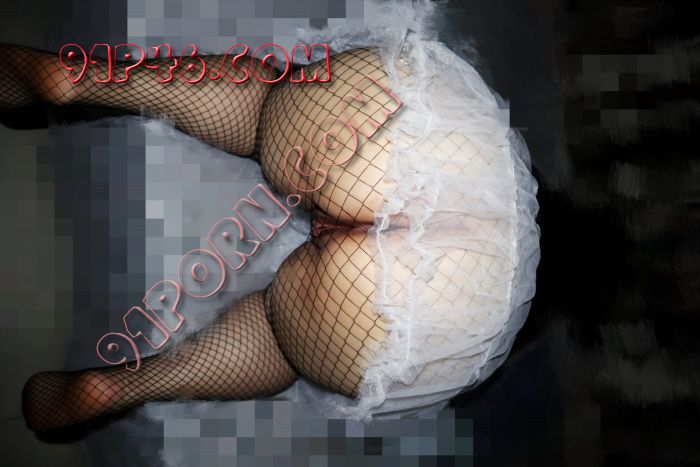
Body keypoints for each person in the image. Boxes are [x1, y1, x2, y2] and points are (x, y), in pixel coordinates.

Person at [4, 16, 540, 433]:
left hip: (426, 146)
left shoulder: (501, 158)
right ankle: (120, 387)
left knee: (264, 111)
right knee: (277, 338)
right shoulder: (495, 333)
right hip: (429, 313)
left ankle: (82, 78)